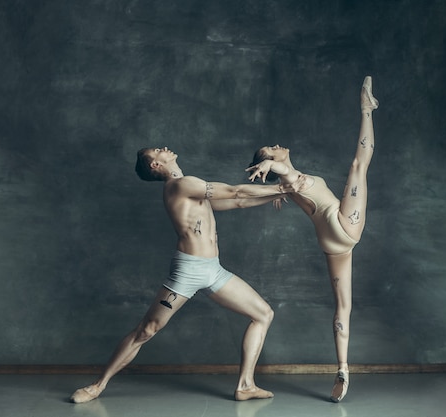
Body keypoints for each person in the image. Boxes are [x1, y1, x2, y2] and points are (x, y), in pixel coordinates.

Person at [70, 146, 290, 403]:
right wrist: (286, 188)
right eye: (157, 151)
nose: (164, 148)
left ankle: (246, 385)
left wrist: (274, 195)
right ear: (155, 165)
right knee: (147, 330)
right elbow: (236, 190)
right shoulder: (179, 185)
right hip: (189, 270)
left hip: (213, 270)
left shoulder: (191, 189)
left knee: (263, 314)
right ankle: (98, 386)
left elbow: (238, 201)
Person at [246, 76, 379, 402]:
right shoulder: (293, 178)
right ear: (273, 160)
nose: (277, 146)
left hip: (333, 244)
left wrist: (275, 180)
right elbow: (285, 174)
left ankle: (343, 369)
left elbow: (286, 181)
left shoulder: (291, 183)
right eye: (272, 149)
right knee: (358, 166)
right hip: (344, 225)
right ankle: (367, 110)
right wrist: (268, 163)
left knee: (343, 307)